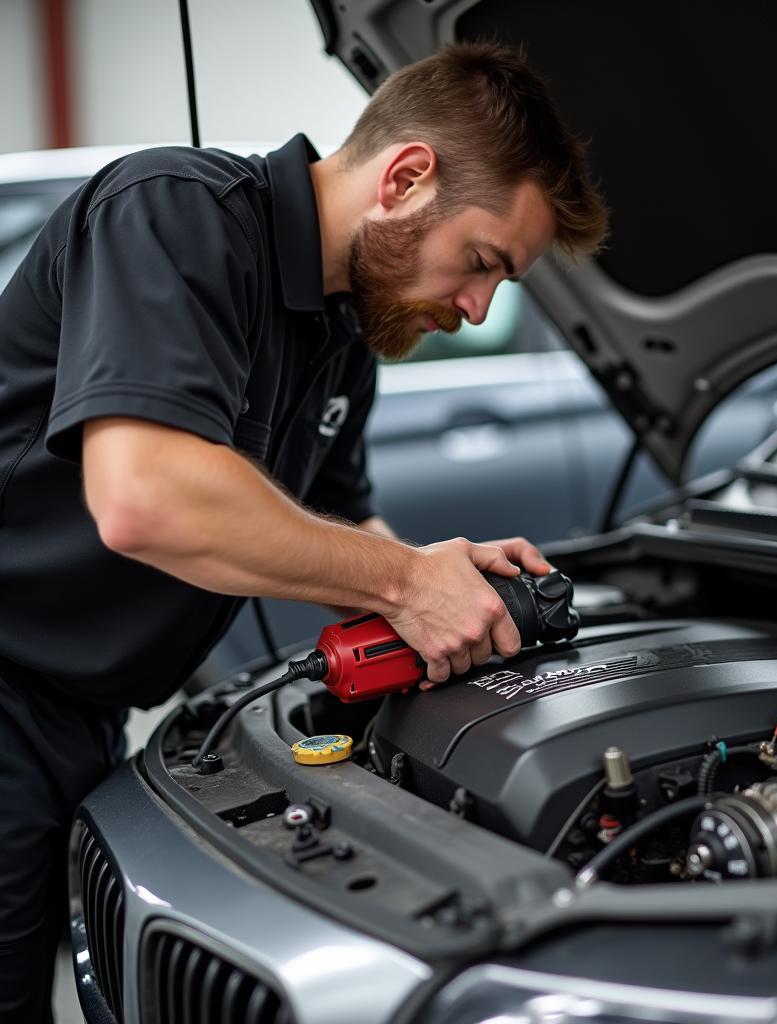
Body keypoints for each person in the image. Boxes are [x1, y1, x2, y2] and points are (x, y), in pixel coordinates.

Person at [0, 41, 608, 1022]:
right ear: (405, 178)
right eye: (482, 262)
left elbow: (330, 530)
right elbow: (144, 496)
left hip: (80, 712)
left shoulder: (343, 335)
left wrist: (431, 574)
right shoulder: (174, 213)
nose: (475, 306)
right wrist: (402, 584)